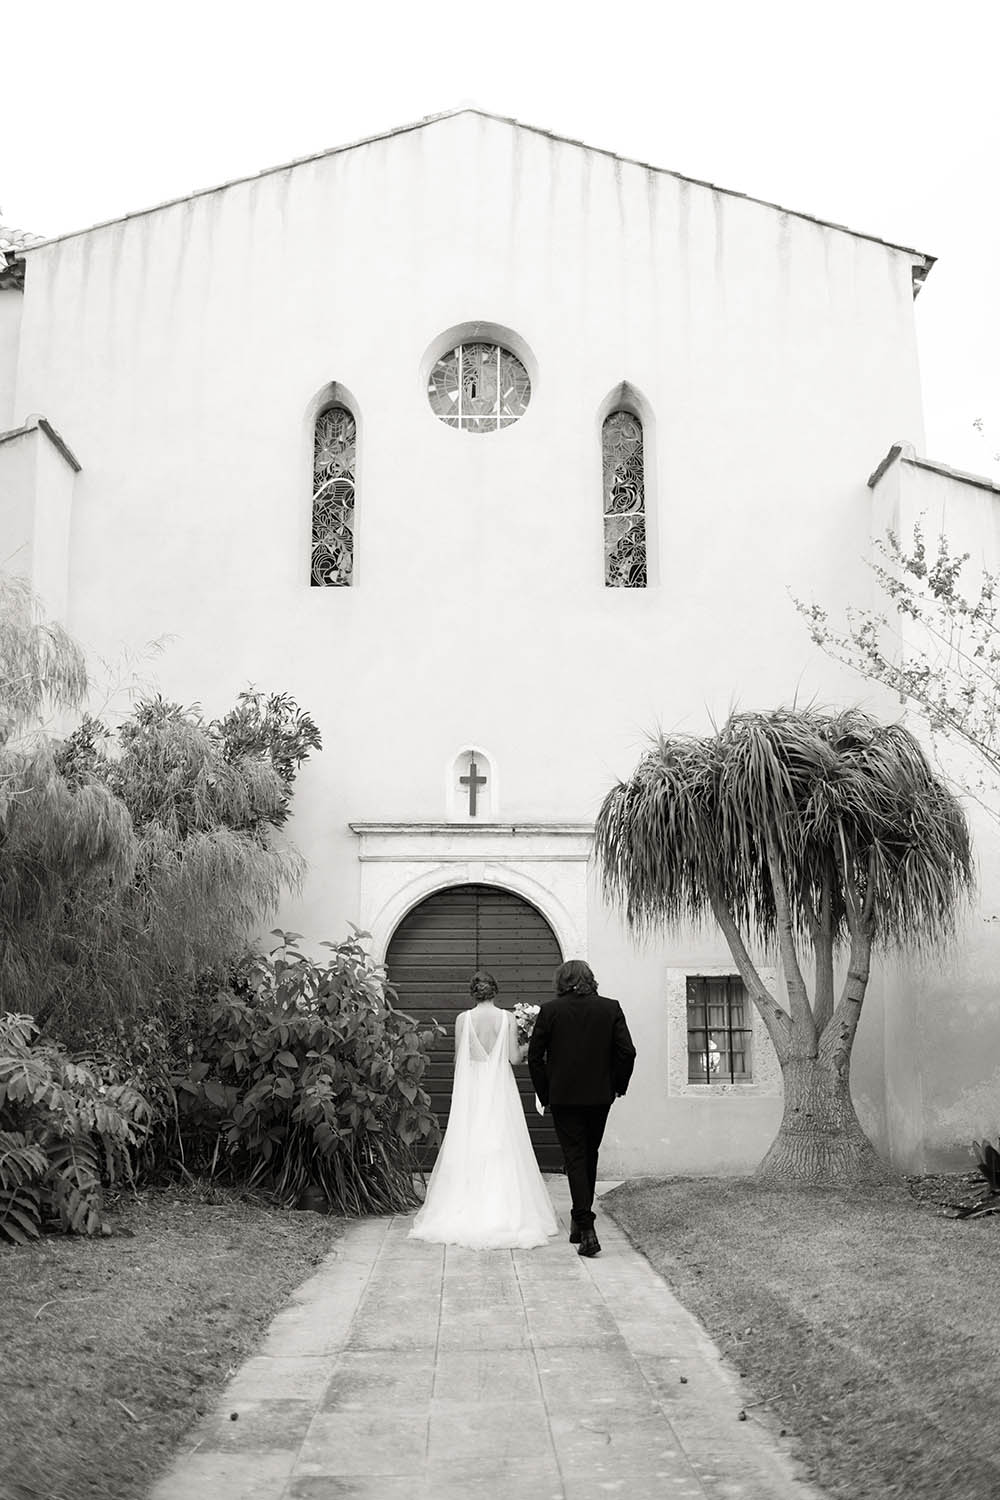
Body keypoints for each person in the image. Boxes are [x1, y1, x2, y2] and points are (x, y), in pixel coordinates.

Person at [408, 970, 559, 1249]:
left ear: (473, 992)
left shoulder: (462, 1020)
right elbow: (514, 1058)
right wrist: (526, 1045)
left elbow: (459, 1059)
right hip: (500, 1088)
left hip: (474, 1090)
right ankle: (504, 1210)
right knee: (503, 1143)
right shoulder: (508, 1018)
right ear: (495, 991)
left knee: (470, 1142)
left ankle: (465, 1206)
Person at [527, 959, 636, 1258]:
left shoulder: (551, 1011)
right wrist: (617, 1085)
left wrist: (545, 1092)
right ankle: (580, 1219)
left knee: (574, 1157)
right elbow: (627, 1052)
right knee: (589, 1154)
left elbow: (535, 1057)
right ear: (590, 979)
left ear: (562, 981)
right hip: (600, 1097)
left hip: (564, 1097)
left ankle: (585, 1226)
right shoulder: (610, 1007)